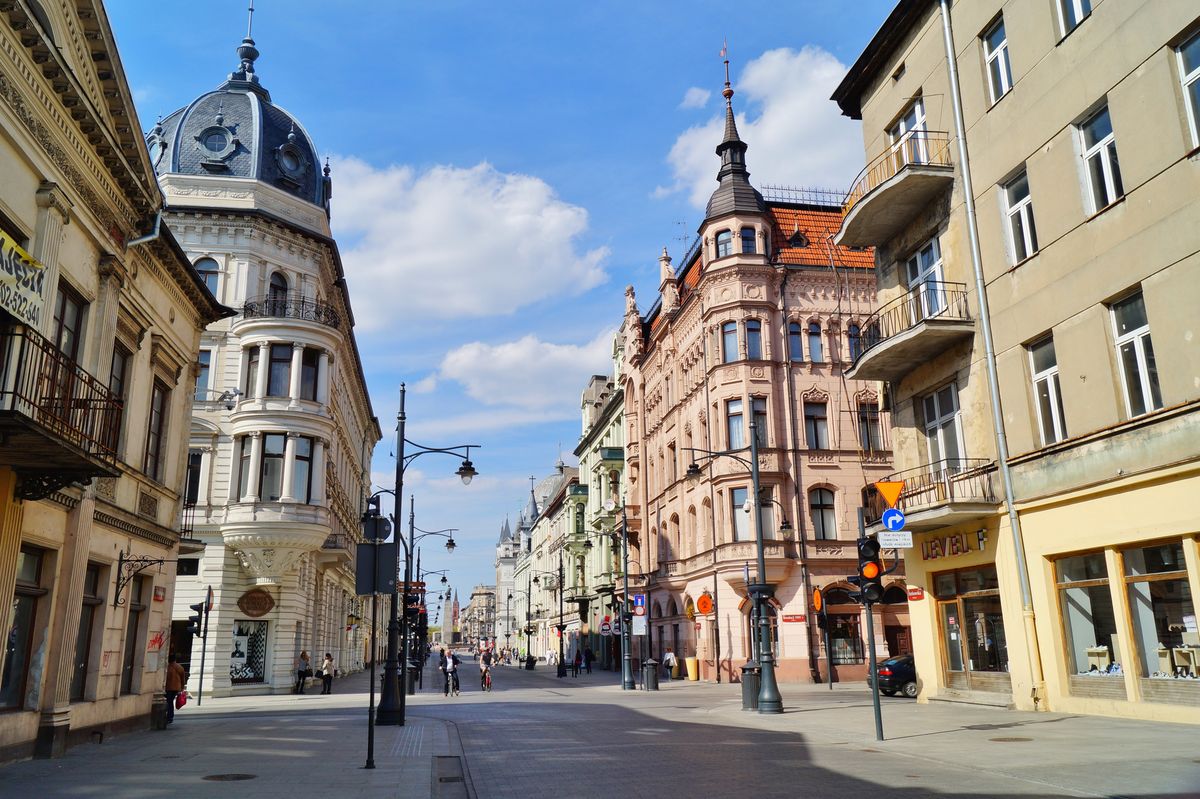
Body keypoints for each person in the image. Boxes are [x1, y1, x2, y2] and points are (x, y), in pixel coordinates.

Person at [164, 653, 187, 724]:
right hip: (176, 688)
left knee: (169, 702)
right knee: (170, 702)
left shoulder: (167, 667)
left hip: (168, 687)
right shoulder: (179, 667)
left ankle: (169, 716)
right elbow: (182, 678)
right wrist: (182, 687)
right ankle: (170, 716)